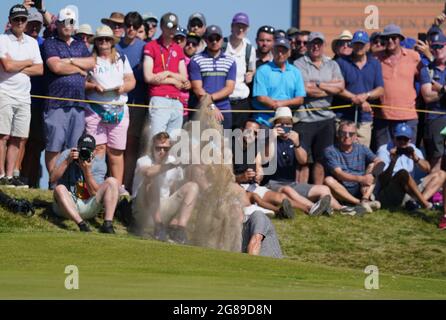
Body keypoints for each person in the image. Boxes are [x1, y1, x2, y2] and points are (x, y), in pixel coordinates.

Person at [263, 107, 363, 215]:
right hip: (271, 184)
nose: (285, 127)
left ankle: (342, 209)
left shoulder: (296, 138)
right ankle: (313, 208)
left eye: (288, 124)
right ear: (275, 125)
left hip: (292, 183)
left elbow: (303, 160)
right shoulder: (267, 137)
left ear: (292, 125)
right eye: (281, 124)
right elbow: (264, 159)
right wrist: (271, 139)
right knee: (287, 190)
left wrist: (297, 144)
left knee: (323, 189)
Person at [234, 118, 331, 216]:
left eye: (255, 133)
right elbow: (224, 179)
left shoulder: (255, 147)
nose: (251, 135)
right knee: (258, 197)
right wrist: (241, 177)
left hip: (252, 186)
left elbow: (259, 168)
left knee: (281, 198)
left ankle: (309, 209)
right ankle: (279, 212)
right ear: (241, 130)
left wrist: (259, 175)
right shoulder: (230, 149)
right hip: (236, 187)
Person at [42, 7, 95, 176]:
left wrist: (70, 61)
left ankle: (69, 182)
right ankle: (53, 180)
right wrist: (78, 69)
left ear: (74, 25)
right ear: (57, 24)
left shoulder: (80, 45)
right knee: (54, 144)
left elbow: (91, 63)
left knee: (74, 147)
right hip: (57, 102)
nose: (67, 25)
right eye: (64, 22)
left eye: (70, 22)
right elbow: (56, 66)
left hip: (78, 103)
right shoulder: (51, 42)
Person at [85, 25, 136, 196]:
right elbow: (82, 82)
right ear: (96, 42)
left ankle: (118, 187)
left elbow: (131, 80)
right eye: (100, 39)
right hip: (95, 109)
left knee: (116, 152)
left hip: (119, 109)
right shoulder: (90, 59)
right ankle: (96, 186)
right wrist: (93, 87)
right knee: (98, 149)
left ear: (112, 42)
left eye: (107, 39)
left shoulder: (121, 58)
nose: (104, 42)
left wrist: (123, 88)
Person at [0, 4, 43, 188]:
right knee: (2, 136)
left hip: (24, 97)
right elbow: (6, 67)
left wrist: (16, 63)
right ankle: (1, 174)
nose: (19, 22)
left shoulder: (32, 43)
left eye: (22, 19)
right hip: (4, 93)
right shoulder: (2, 40)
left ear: (26, 22)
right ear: (10, 21)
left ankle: (10, 176)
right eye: (16, 19)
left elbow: (39, 69)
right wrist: (27, 62)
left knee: (18, 137)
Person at [294, 32, 345, 184]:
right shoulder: (299, 64)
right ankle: (301, 193)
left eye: (319, 43)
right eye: (312, 43)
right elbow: (303, 89)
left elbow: (341, 87)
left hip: (326, 118)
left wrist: (317, 84)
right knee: (302, 160)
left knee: (322, 159)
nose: (316, 46)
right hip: (305, 118)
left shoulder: (332, 64)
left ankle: (318, 193)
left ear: (323, 46)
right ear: (308, 45)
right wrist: (329, 87)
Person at [132, 132, 199, 243]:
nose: (162, 152)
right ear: (152, 147)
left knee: (193, 187)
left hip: (163, 207)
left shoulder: (172, 161)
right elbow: (148, 172)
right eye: (158, 148)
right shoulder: (143, 160)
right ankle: (158, 227)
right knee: (151, 180)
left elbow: (173, 189)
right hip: (143, 210)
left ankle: (180, 230)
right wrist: (173, 164)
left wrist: (175, 218)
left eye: (166, 149)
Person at [51, 134, 119, 233]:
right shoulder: (67, 154)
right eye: (82, 149)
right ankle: (81, 225)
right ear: (77, 148)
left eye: (89, 150)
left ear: (94, 151)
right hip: (66, 205)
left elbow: (94, 193)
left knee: (112, 181)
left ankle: (107, 225)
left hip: (88, 205)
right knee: (59, 188)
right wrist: (67, 161)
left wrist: (87, 171)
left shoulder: (99, 162)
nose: (85, 152)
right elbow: (52, 179)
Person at [376, 123, 446, 214]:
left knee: (442, 174)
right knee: (403, 173)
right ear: (394, 138)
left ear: (410, 140)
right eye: (399, 138)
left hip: (410, 190)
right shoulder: (384, 150)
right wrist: (393, 161)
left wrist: (416, 159)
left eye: (405, 139)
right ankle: (425, 204)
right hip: (391, 190)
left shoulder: (412, 149)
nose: (402, 142)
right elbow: (382, 180)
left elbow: (428, 168)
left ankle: (416, 204)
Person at [373, 24, 421, 149]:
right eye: (386, 38)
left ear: (400, 39)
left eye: (393, 37)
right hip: (383, 117)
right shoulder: (376, 58)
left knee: (407, 157)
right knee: (383, 158)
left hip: (408, 117)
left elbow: (428, 76)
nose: (390, 41)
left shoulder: (414, 57)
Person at [143, 12, 190, 139]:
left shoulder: (178, 49)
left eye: (174, 27)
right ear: (162, 27)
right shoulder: (151, 46)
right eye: (169, 26)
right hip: (159, 99)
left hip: (177, 100)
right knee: (158, 140)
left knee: (173, 144)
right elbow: (149, 77)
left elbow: (184, 78)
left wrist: (167, 74)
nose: (171, 30)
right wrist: (174, 81)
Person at [335, 30, 385, 147]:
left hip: (364, 119)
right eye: (356, 44)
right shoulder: (341, 62)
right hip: (343, 117)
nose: (359, 47)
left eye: (362, 44)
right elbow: (338, 88)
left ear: (368, 46)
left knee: (362, 155)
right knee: (342, 153)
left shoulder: (375, 64)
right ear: (352, 45)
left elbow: (380, 89)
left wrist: (365, 96)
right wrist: (358, 99)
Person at [116, 12, 147, 194]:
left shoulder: (145, 47)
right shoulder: (115, 47)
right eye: (128, 25)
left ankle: (125, 185)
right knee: (115, 145)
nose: (131, 29)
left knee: (131, 145)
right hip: (116, 102)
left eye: (135, 27)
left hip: (138, 102)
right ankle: (114, 183)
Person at [323, 121, 383, 212]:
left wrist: (371, 175)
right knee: (328, 180)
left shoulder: (362, 148)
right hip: (341, 187)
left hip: (360, 187)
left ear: (355, 136)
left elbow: (380, 162)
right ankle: (360, 203)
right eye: (343, 133)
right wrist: (361, 179)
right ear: (338, 134)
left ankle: (365, 198)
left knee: (373, 165)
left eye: (351, 134)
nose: (347, 136)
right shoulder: (330, 150)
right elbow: (339, 174)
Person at [188, 25, 236, 130]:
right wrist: (211, 106)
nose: (214, 42)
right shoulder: (196, 60)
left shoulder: (230, 61)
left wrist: (210, 99)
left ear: (222, 40)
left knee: (224, 144)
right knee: (200, 144)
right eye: (211, 39)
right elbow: (197, 89)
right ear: (205, 40)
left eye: (217, 38)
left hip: (224, 110)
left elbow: (229, 88)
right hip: (202, 109)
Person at [20, 9, 46, 188]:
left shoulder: (45, 43)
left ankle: (30, 180)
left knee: (36, 144)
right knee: (19, 139)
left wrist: (43, 9)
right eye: (32, 23)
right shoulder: (17, 41)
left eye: (38, 24)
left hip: (39, 102)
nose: (35, 27)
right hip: (19, 97)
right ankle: (14, 176)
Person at [252, 37, 306, 123]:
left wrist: (281, 104)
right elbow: (261, 97)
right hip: (265, 119)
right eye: (277, 50)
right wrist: (276, 105)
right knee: (250, 130)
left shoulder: (295, 72)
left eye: (283, 51)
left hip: (288, 118)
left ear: (289, 52)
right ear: (272, 51)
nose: (280, 54)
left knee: (295, 136)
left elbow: (300, 99)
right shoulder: (262, 70)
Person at [223, 12, 256, 130]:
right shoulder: (222, 45)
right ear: (232, 26)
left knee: (239, 142)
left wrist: (251, 74)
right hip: (223, 100)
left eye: (244, 27)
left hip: (242, 101)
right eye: (238, 26)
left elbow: (252, 69)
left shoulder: (249, 49)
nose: (240, 29)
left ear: (248, 29)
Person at [420, 31, 446, 172]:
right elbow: (428, 96)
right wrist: (444, 91)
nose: (437, 50)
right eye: (434, 47)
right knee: (436, 159)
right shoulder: (427, 70)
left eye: (440, 46)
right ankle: (435, 192)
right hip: (435, 118)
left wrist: (440, 88)